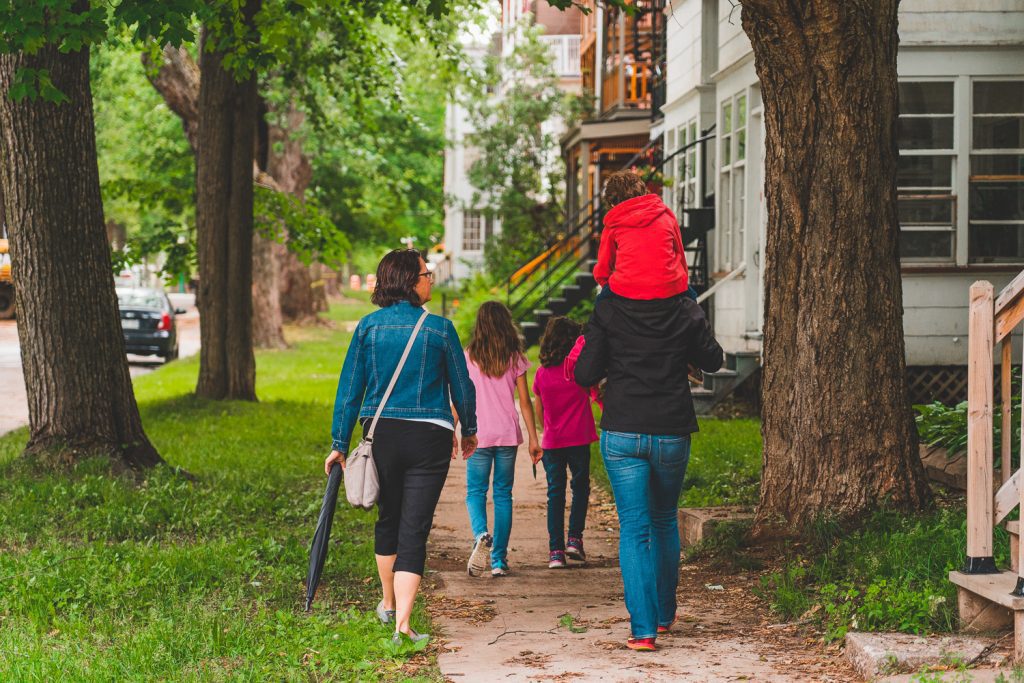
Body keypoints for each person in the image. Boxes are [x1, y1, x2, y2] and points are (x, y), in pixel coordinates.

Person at [325, 249, 477, 645]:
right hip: (429, 436)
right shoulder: (441, 329)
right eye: (426, 274)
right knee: (415, 528)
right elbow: (463, 386)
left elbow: (349, 389)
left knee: (388, 518)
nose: (431, 280)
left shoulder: (368, 327)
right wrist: (470, 429)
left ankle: (388, 602)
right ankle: (402, 625)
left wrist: (339, 443)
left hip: (383, 435)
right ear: (410, 281)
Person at [574, 285, 723, 653]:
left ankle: (643, 630)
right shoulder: (684, 307)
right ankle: (664, 613)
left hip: (623, 429)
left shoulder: (608, 307)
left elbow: (584, 372)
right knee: (662, 520)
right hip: (671, 430)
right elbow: (714, 359)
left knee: (635, 528)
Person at [462, 301, 542, 578]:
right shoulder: (514, 357)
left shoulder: (469, 356)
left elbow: (461, 398)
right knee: (503, 495)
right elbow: (525, 401)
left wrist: (454, 430)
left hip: (478, 435)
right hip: (507, 435)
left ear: (480, 326)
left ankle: (481, 533)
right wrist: (534, 438)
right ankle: (498, 561)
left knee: (475, 492)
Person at [533, 316, 598, 569]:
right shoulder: (580, 373)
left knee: (555, 494)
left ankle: (556, 552)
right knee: (580, 488)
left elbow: (540, 410)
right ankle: (575, 539)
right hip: (579, 439)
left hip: (553, 441)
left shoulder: (541, 374)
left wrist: (548, 428)